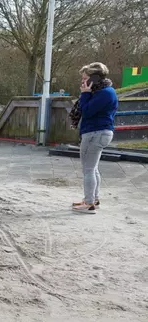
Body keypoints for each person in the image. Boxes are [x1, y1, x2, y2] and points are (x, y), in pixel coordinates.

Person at [70, 62, 118, 214]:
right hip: (100, 132)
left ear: (94, 79)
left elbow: (88, 111)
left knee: (88, 170)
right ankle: (93, 199)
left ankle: (89, 203)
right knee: (93, 168)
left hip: (95, 133)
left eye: (85, 78)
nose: (82, 82)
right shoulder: (105, 91)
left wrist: (85, 94)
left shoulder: (104, 93)